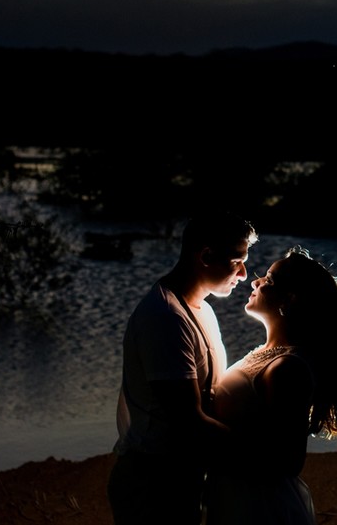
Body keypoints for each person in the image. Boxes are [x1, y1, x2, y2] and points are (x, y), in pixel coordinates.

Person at [203, 245, 337, 525]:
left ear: (288, 299)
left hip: (258, 506)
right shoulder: (265, 353)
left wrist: (199, 427)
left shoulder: (288, 368)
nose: (255, 281)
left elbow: (288, 460)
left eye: (268, 279)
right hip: (232, 496)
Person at [106, 212, 257, 525]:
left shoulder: (201, 309)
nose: (243, 274)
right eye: (237, 261)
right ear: (205, 256)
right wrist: (259, 453)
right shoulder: (165, 318)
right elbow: (189, 421)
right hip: (154, 482)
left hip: (180, 475)